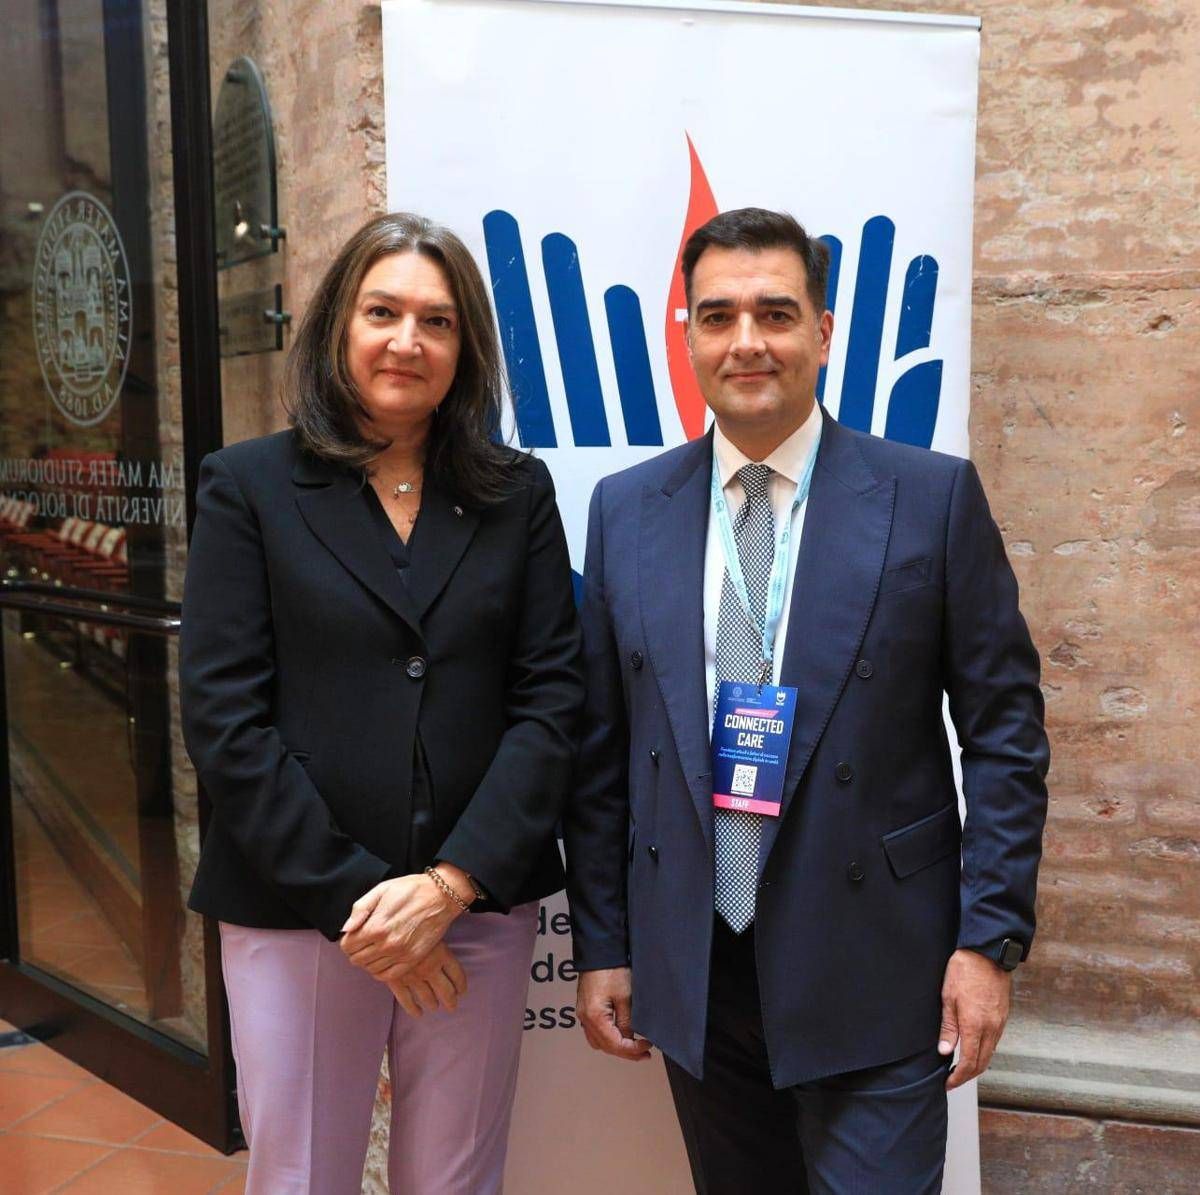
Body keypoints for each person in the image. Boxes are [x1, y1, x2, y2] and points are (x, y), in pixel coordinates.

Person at [564, 208, 1049, 1193]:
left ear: (823, 333)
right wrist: (606, 942)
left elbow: (1005, 734)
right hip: (699, 969)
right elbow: (602, 751)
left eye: (776, 313)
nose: (747, 340)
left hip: (878, 962)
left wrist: (987, 942)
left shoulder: (929, 498)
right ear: (687, 338)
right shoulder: (627, 509)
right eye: (718, 316)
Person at [180, 212, 582, 1194]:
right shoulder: (248, 486)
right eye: (383, 312)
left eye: (436, 321)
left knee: (455, 1180)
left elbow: (551, 699)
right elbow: (225, 718)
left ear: (465, 347)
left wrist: (445, 888)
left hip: (472, 905)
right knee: (302, 1177)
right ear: (337, 327)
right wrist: (361, 906)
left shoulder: (517, 495)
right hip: (298, 905)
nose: (408, 340)